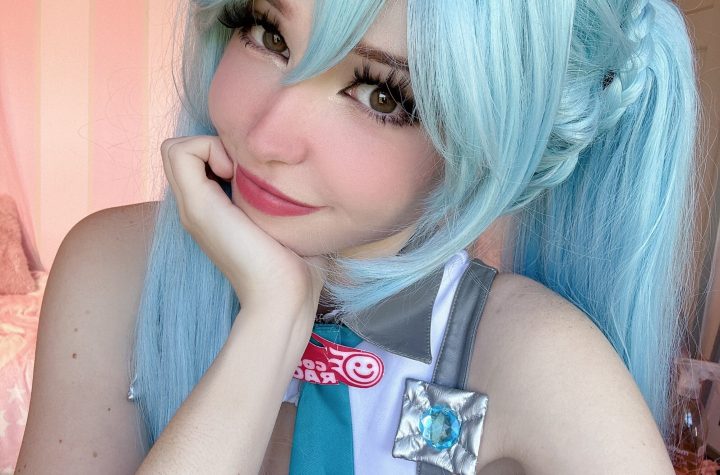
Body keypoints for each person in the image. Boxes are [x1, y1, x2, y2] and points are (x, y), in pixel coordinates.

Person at [16, 0, 698, 473]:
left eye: (381, 95)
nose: (267, 137)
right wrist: (270, 323)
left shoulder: (534, 362)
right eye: (268, 33)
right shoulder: (115, 273)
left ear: (488, 149)